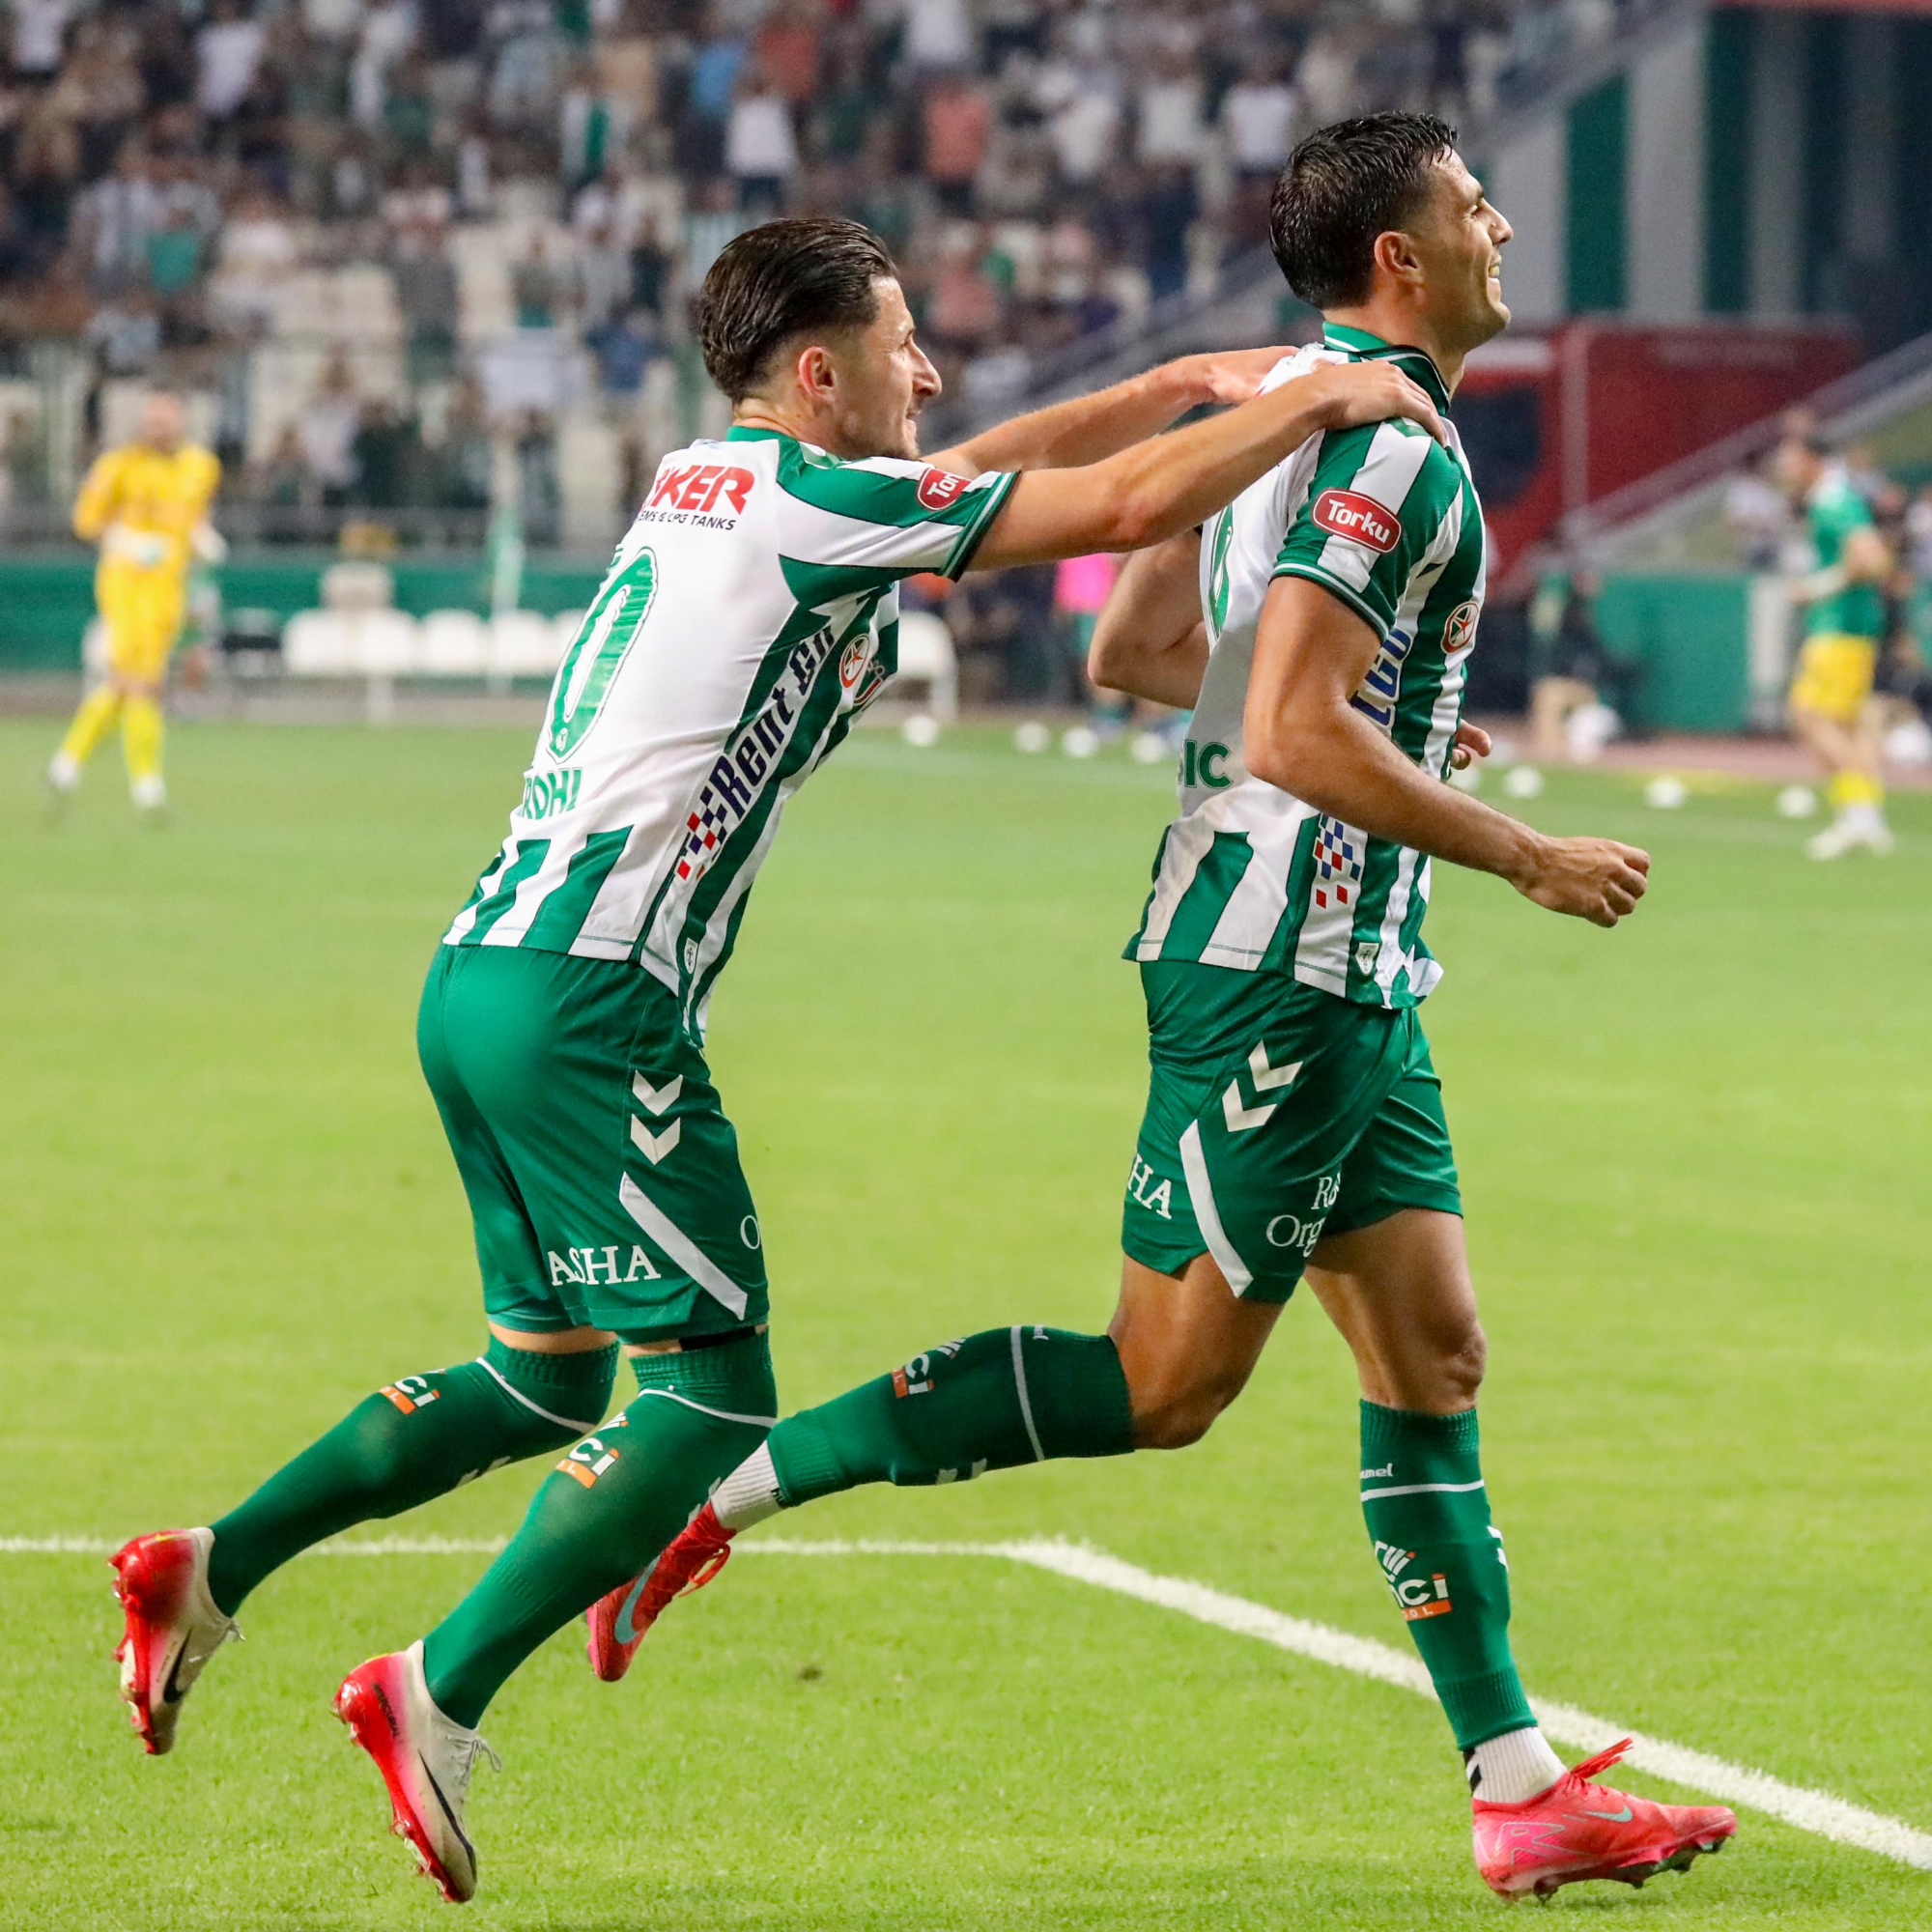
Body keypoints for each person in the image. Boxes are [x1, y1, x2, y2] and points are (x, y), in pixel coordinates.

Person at [107, 214, 1445, 1903]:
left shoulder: (717, 481)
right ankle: (433, 1687)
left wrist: (1184, 377)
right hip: (596, 1001)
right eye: (901, 344)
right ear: (820, 373)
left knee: (545, 1380)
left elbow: (983, 469)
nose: (928, 373)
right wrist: (1325, 396)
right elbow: (1115, 512)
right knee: (710, 1397)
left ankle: (210, 1566)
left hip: (485, 977)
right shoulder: (816, 506)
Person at [612, 118, 1737, 1905]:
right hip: (1277, 969)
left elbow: (1138, 654)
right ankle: (726, 1492)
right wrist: (1522, 850)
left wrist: (1393, 734)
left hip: (1354, 969)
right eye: (1472, 206)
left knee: (1434, 1356)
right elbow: (1285, 729)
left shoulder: (1281, 405)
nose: (1503, 226)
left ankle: (1518, 1788)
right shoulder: (1391, 447)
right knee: (1163, 1385)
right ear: (1400, 257)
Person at [45, 391, 222, 820]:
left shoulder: (201, 466)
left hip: (169, 586)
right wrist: (124, 540)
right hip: (126, 582)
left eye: (167, 420)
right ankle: (146, 786)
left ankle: (67, 765)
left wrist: (201, 540)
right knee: (140, 681)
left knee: (133, 682)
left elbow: (195, 515)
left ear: (181, 422)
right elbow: (85, 520)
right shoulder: (118, 465)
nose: (159, 429)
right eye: (153, 421)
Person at [1775, 433, 1894, 859]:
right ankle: (1863, 818)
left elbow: (1873, 559)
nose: (1782, 469)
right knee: (1846, 725)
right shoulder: (1836, 498)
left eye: (1789, 459)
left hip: (1839, 627)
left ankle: (1860, 816)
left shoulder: (1832, 502)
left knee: (1810, 717)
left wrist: (1816, 588)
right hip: (1852, 627)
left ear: (1812, 460)